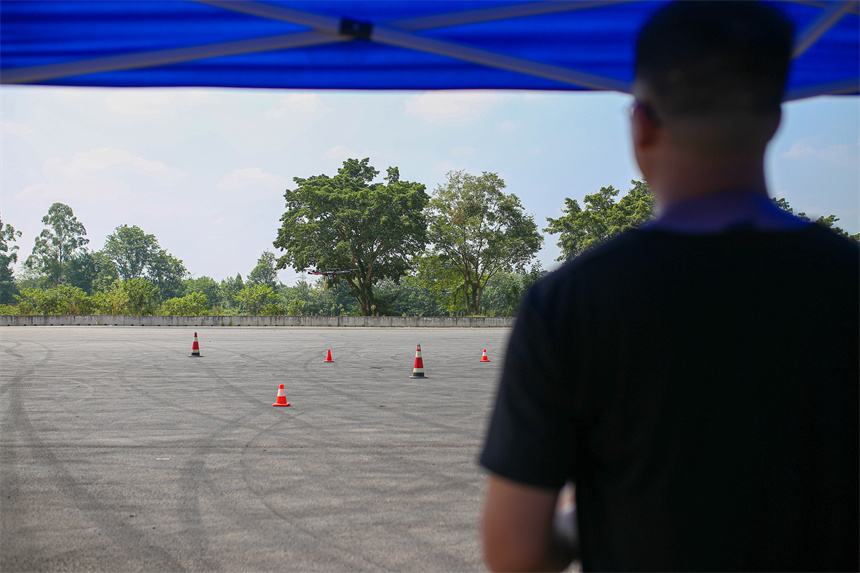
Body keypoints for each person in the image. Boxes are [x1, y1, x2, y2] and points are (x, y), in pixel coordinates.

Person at [479, 2, 859, 571]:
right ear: (775, 118)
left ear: (642, 122)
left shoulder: (572, 302)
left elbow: (516, 552)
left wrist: (581, 516)